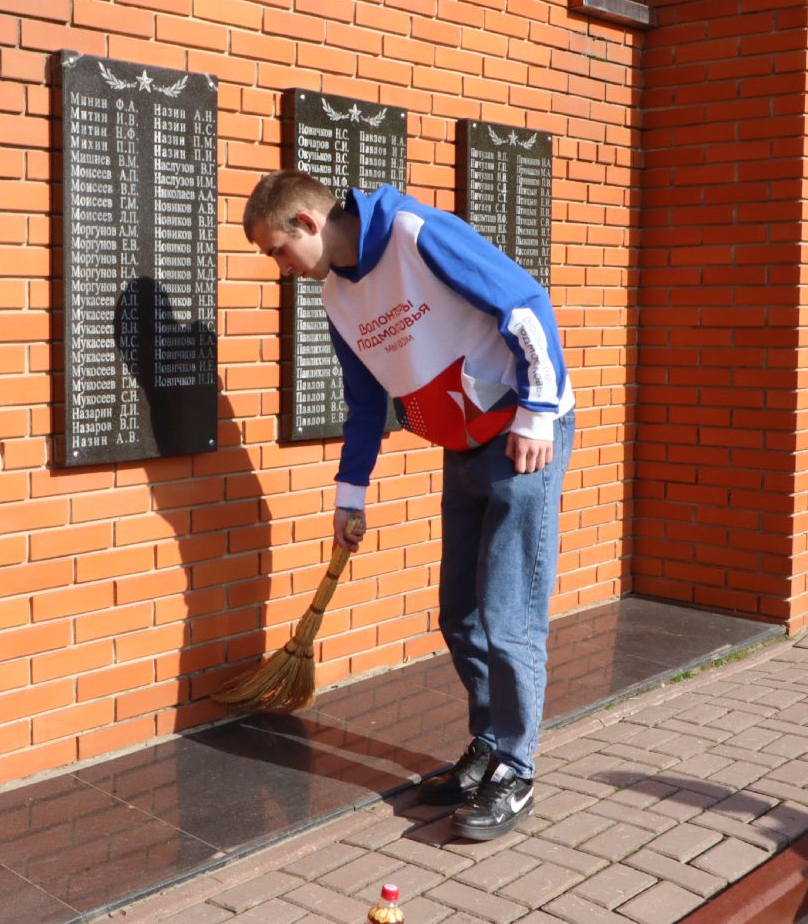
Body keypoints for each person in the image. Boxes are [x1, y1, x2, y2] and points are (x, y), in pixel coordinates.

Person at [244, 170, 575, 841]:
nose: (282, 269)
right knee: (460, 613)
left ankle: (515, 770)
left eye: (278, 250)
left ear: (307, 222)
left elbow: (524, 304)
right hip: (462, 444)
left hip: (521, 437)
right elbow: (366, 403)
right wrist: (350, 495)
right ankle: (489, 742)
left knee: (509, 614)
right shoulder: (337, 297)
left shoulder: (413, 233)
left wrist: (538, 412)